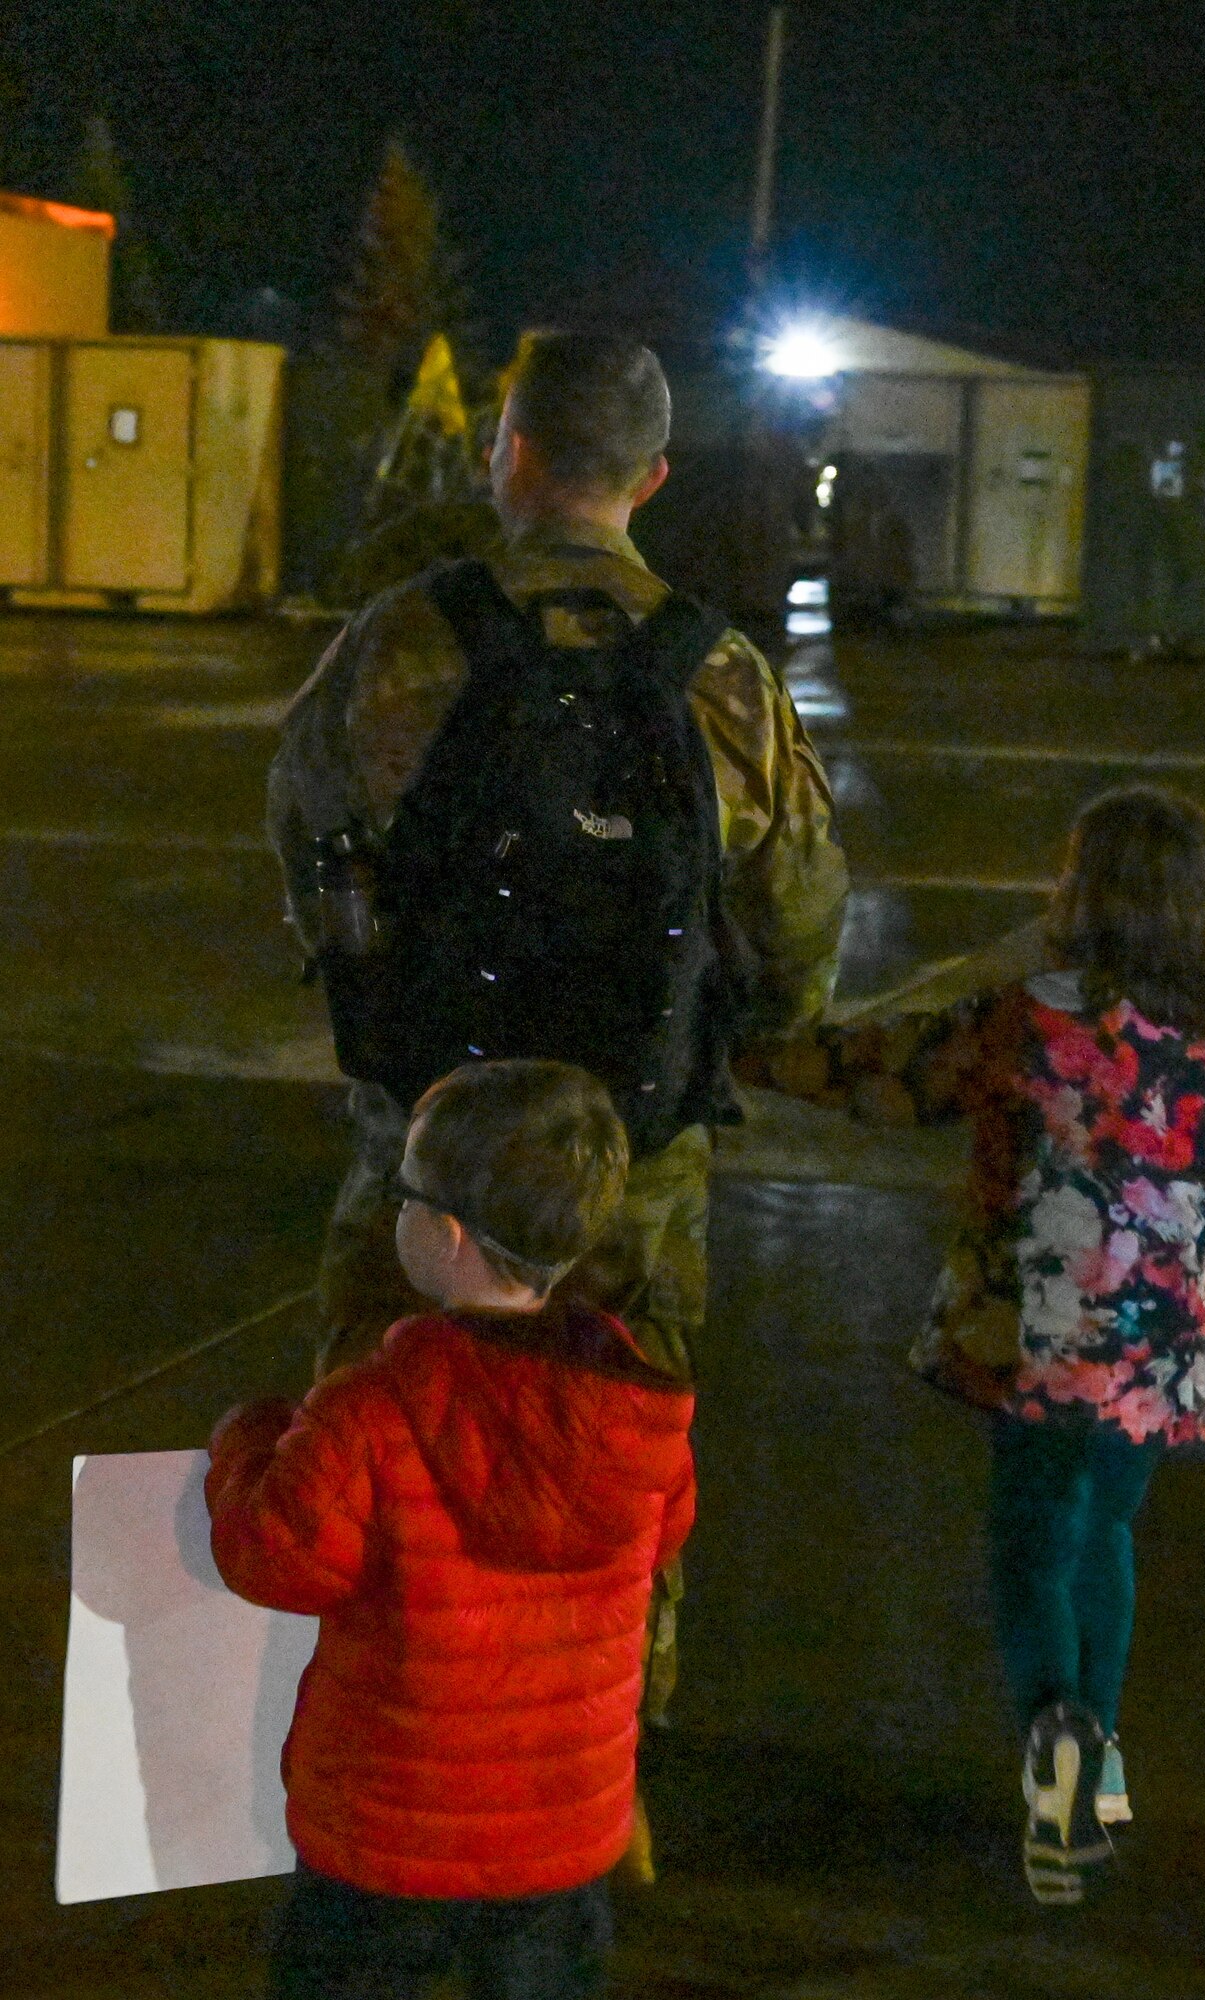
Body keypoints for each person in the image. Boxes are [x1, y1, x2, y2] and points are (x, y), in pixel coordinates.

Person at [267, 328, 847, 1752]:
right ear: (647, 477)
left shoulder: (401, 640)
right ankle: (598, 1759)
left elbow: (304, 842)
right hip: (629, 1161)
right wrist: (744, 1031)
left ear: (501, 449)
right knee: (613, 1460)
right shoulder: (719, 681)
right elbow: (799, 926)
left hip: (427, 1148)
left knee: (370, 1438)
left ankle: (371, 1740)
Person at [206, 1059, 695, 1999]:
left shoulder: (371, 1410)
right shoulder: (636, 1412)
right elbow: (663, 1533)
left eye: (405, 1194)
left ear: (447, 1234)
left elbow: (274, 1557)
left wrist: (248, 1443)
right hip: (560, 1837)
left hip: (389, 1840)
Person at [889, 787, 1205, 1905]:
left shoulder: (1022, 1022)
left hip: (1032, 1345)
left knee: (1025, 1541)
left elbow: (900, 1078)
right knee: (1103, 1530)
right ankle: (1093, 1751)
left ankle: (1049, 1735)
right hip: (1152, 1364)